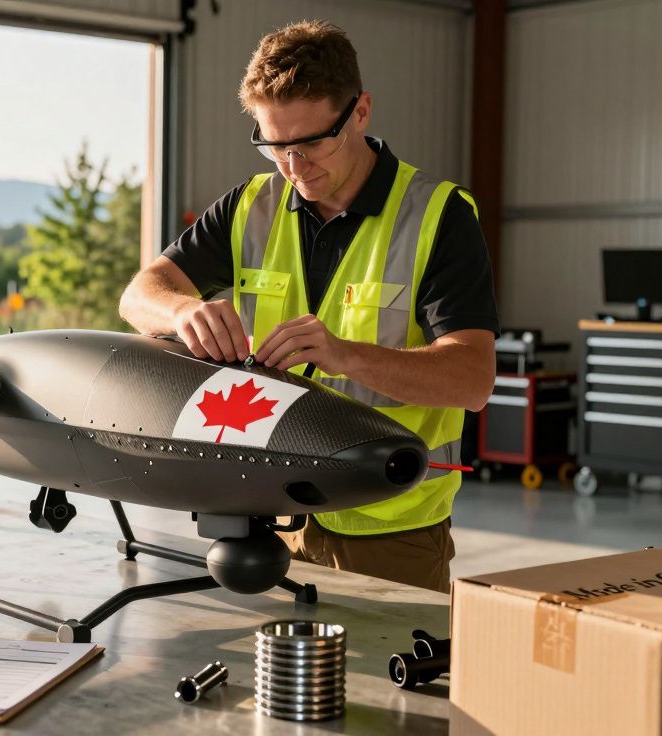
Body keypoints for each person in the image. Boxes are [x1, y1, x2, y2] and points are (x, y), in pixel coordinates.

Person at [118, 19, 499, 593]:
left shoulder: (439, 217)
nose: (295, 166)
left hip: (390, 527)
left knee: (385, 686)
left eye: (314, 142)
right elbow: (139, 293)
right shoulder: (250, 206)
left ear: (361, 112)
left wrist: (344, 355)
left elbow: (473, 378)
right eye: (276, 145)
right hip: (269, 517)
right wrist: (181, 313)